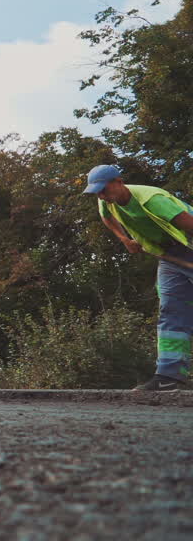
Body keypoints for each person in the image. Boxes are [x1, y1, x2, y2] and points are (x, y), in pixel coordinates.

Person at [84, 164, 193, 391]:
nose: (101, 196)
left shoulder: (152, 200)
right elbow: (107, 219)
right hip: (169, 256)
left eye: (104, 189)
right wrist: (124, 240)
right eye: (97, 192)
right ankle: (169, 376)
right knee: (171, 310)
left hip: (189, 247)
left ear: (119, 182)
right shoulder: (106, 201)